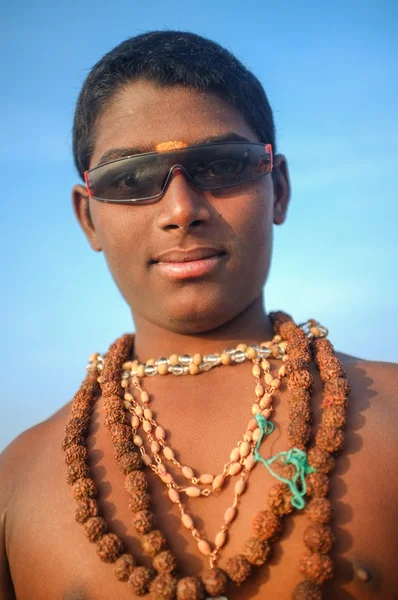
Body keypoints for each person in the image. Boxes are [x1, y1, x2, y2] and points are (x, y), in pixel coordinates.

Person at [1, 30, 397, 600]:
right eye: (130, 180)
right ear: (89, 218)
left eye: (220, 166)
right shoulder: (18, 484)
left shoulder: (391, 418)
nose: (181, 210)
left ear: (278, 189)